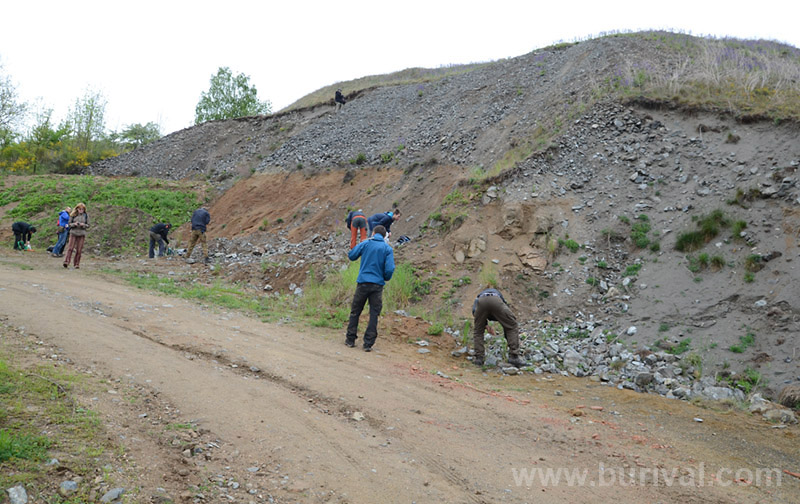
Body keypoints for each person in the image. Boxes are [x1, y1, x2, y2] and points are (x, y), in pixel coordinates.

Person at [345, 225, 395, 352]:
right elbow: (390, 269)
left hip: (363, 283)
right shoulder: (387, 249)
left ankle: (350, 339)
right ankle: (368, 343)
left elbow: (352, 256)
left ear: (373, 233)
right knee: (374, 314)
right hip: (377, 285)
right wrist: (384, 277)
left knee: (355, 311)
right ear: (384, 236)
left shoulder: (366, 243)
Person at [471, 287, 526, 368]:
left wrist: (484, 324)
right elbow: (508, 325)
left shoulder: (479, 297)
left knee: (478, 331)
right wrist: (509, 338)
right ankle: (514, 356)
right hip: (495, 300)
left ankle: (479, 358)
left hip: (481, 301)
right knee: (512, 325)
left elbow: (474, 311)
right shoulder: (500, 298)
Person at [63, 203, 89, 269]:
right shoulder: (73, 215)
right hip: (73, 233)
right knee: (70, 248)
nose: (81, 210)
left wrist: (84, 225)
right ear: (77, 209)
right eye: (80, 209)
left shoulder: (86, 216)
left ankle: (77, 264)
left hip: (81, 234)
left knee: (79, 250)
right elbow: (69, 224)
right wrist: (74, 224)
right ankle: (66, 261)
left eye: (82, 209)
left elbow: (88, 225)